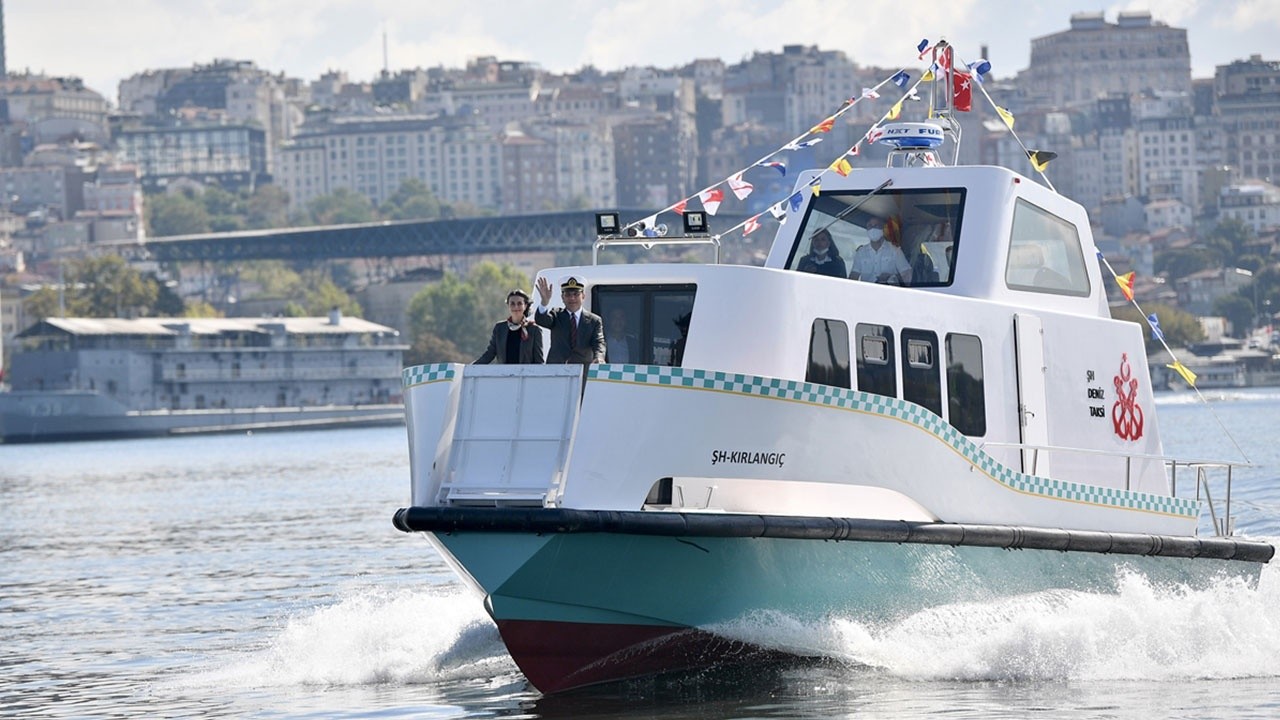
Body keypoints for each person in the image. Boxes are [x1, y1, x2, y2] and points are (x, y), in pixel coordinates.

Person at [535, 275, 606, 364]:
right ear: (562, 297)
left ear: (583, 296)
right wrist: (544, 302)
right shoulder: (556, 315)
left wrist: (599, 357)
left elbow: (598, 342)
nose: (572, 298)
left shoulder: (594, 321)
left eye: (576, 294)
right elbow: (541, 320)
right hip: (557, 371)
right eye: (568, 294)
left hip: (582, 370)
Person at [475, 289, 545, 364]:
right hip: (504, 374)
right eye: (512, 303)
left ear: (525, 306)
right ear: (508, 305)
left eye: (519, 303)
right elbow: (490, 354)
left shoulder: (534, 330)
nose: (516, 307)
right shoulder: (500, 328)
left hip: (525, 374)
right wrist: (471, 368)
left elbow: (539, 362)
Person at [849, 216, 912, 285]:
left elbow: (907, 275)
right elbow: (853, 276)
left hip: (890, 292)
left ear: (883, 229)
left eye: (876, 226)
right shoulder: (861, 253)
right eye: (870, 226)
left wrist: (891, 277)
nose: (873, 229)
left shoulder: (895, 251)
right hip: (866, 293)